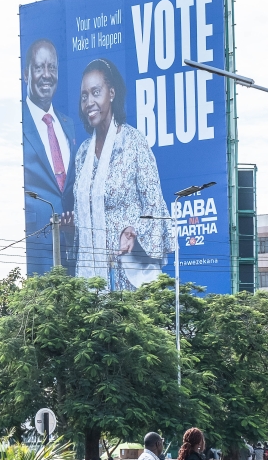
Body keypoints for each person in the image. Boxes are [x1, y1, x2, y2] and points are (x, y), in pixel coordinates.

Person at [72, 58, 173, 290]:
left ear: (112, 93)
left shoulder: (133, 142)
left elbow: (154, 204)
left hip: (130, 274)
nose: (89, 102)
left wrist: (134, 231)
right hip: (92, 279)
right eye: (84, 96)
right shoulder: (82, 154)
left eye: (96, 92)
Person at [23, 38, 78, 275]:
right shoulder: (19, 123)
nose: (47, 74)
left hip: (73, 248)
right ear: (26, 74)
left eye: (52, 67)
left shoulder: (68, 124)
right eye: (39, 67)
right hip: (37, 246)